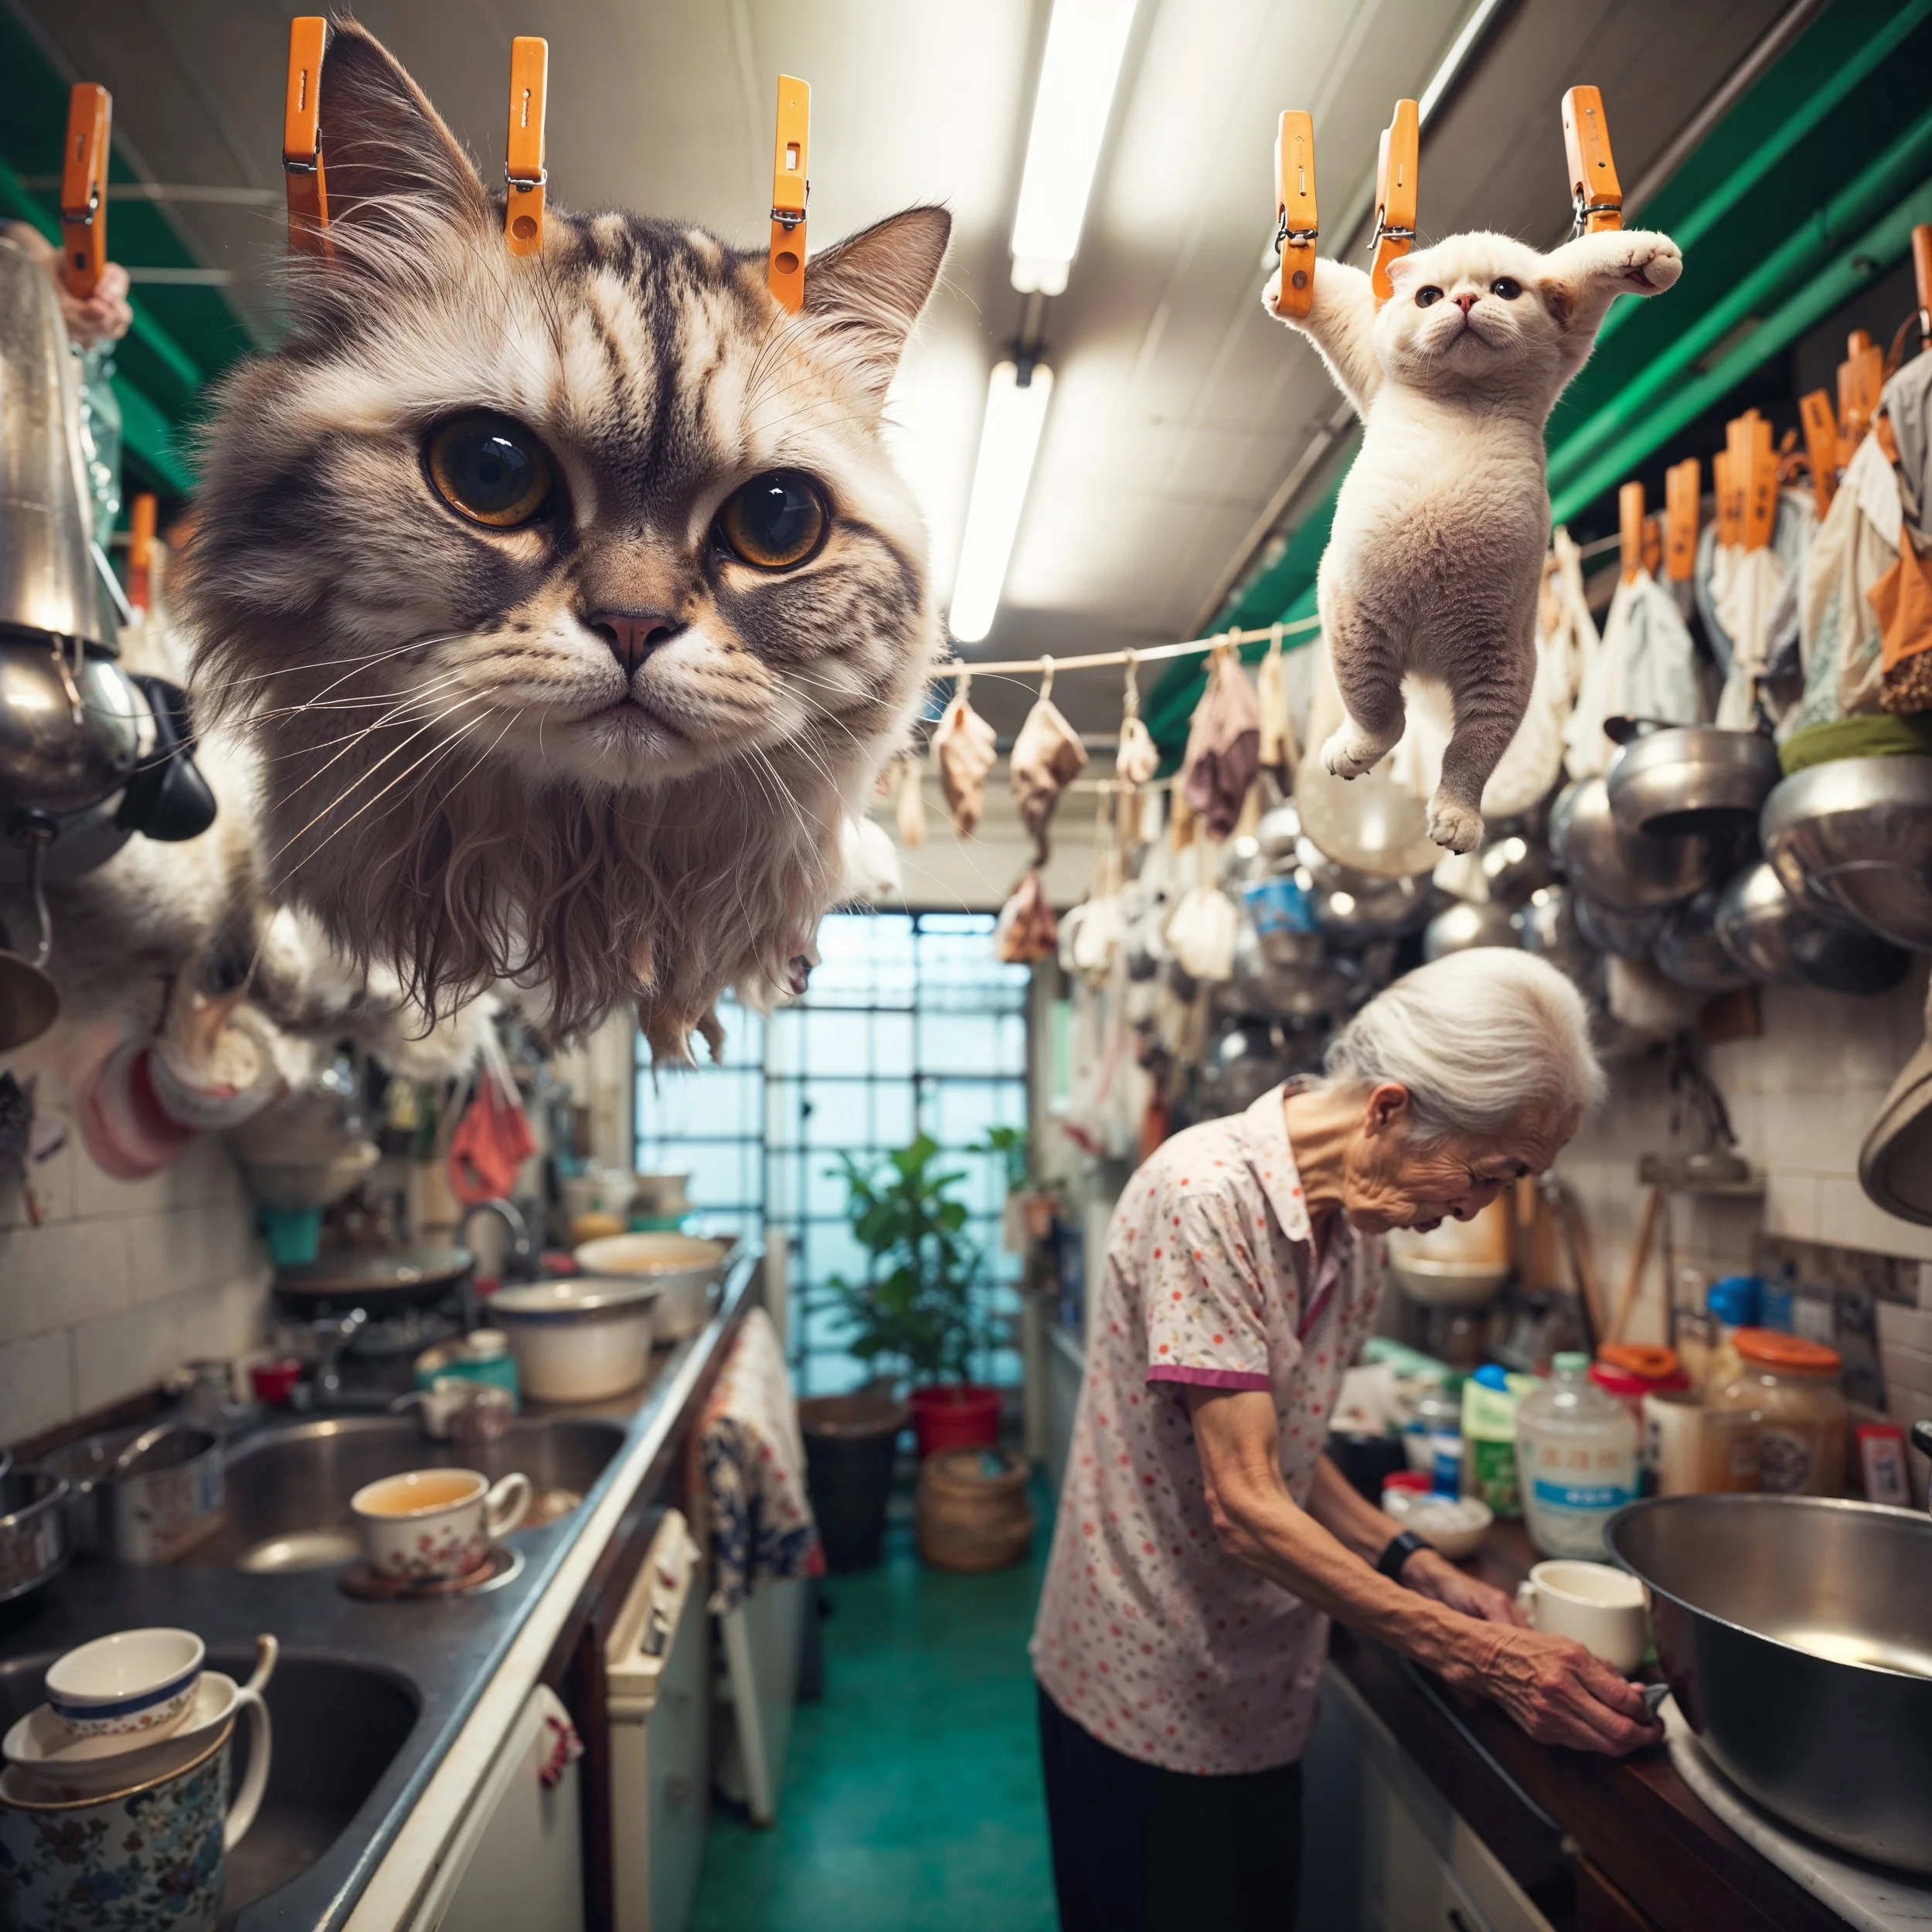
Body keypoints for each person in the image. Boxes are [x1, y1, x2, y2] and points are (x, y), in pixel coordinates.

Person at [1030, 950, 1660, 1932]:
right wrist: (1482, 1653)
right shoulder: (1210, 1199)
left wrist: (1416, 1565)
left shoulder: (1352, 1231)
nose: (1472, 1209)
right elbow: (1244, 1504)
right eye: (1487, 1174)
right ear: (1388, 1109)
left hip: (1258, 1695)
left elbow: (1287, 1447)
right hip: (1147, 1691)